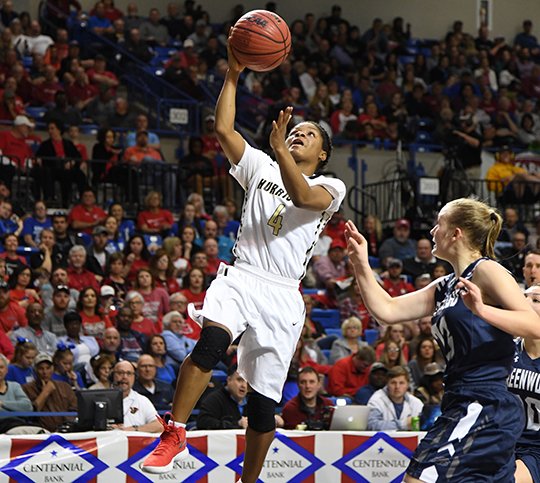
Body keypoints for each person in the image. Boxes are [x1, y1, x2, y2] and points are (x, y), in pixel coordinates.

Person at [141, 39, 346, 480]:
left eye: (307, 134)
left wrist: (279, 152)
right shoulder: (261, 166)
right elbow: (224, 130)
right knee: (212, 343)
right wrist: (234, 74)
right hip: (242, 276)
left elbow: (302, 196)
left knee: (261, 407)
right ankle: (174, 431)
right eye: (294, 131)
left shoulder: (332, 185)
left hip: (283, 296)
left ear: (322, 154)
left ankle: (249, 479)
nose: (297, 134)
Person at [345, 197, 540, 481]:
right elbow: (387, 310)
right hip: (458, 399)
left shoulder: (487, 270)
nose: (432, 232)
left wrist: (482, 310)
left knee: (417, 478)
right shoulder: (444, 287)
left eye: (439, 224)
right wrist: (361, 263)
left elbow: (534, 324)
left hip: (484, 402)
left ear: (456, 233)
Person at [509, 284, 540, 483]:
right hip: (500, 443)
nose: (526, 303)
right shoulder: (505, 350)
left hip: (536, 448)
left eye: (536, 300)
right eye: (524, 298)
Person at [23, 352, 77, 432]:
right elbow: (31, 414)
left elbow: (74, 409)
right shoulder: (27, 388)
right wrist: (45, 393)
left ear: (53, 369)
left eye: (48, 368)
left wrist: (66, 426)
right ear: (35, 370)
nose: (45, 372)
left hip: (65, 431)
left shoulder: (64, 386)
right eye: (41, 368)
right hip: (40, 433)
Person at [110, 360, 161, 433]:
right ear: (112, 376)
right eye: (120, 373)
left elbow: (159, 426)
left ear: (134, 377)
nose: (124, 377)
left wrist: (134, 429)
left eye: (129, 373)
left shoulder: (142, 400)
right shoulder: (101, 398)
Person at [367, 366, 424, 431]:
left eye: (401, 383)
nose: (397, 387)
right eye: (393, 383)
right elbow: (372, 424)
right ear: (387, 384)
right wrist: (403, 424)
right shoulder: (377, 399)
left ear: (407, 385)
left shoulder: (416, 403)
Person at [196, 366, 248, 430]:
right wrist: (236, 424)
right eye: (239, 380)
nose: (244, 385)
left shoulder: (253, 401)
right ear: (229, 380)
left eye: (247, 382)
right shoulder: (214, 399)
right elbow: (203, 422)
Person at [281, 366, 333, 430]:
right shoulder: (290, 409)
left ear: (319, 384)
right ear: (298, 385)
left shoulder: (328, 405)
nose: (307, 386)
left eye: (312, 382)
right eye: (303, 382)